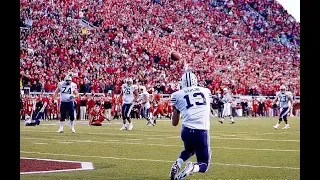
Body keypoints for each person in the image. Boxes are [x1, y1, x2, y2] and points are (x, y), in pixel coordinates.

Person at [169, 71, 212, 180]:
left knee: (190, 150)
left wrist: (177, 108)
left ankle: (177, 164)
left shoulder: (177, 95)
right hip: (201, 131)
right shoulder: (206, 91)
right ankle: (193, 168)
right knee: (204, 164)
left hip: (186, 131)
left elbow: (174, 123)